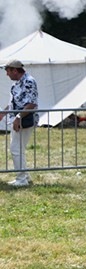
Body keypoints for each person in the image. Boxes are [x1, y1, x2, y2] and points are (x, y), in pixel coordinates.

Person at [5, 59, 38, 187]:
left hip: (25, 120)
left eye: (8, 71)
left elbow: (31, 103)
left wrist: (18, 117)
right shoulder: (16, 83)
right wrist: (3, 113)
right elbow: (13, 103)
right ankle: (25, 176)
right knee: (19, 149)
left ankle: (21, 179)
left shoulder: (29, 81)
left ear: (15, 70)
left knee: (15, 149)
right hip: (18, 120)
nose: (7, 74)